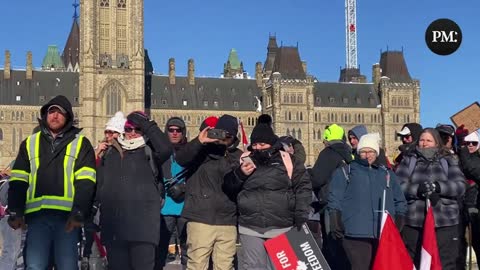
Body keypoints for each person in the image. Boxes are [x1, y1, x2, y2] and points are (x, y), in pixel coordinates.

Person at [7, 95, 97, 270]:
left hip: (67, 220)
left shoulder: (81, 143)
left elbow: (86, 181)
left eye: (60, 112)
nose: (55, 116)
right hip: (37, 218)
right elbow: (19, 179)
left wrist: (80, 211)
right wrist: (15, 210)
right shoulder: (29, 143)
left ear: (68, 116)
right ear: (45, 115)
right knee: (35, 266)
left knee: (67, 266)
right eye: (51, 111)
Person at [224, 123, 312, 270]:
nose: (258, 148)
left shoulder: (288, 160)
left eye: (262, 144)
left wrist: (301, 212)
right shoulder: (244, 159)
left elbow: (303, 186)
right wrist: (239, 174)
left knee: (281, 267)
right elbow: (227, 186)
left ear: (272, 143)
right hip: (250, 226)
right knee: (254, 267)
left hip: (281, 227)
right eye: (256, 144)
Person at [97, 111, 172, 270]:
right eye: (129, 129)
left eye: (138, 129)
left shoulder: (150, 151)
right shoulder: (110, 153)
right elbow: (101, 185)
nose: (132, 133)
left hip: (143, 230)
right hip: (115, 228)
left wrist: (147, 124)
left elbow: (166, 148)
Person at [328, 133, 407, 270]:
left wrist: (399, 219)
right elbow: (335, 198)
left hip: (383, 232)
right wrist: (335, 219)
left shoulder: (387, 174)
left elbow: (399, 200)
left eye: (371, 151)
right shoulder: (346, 172)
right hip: (355, 232)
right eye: (363, 151)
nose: (367, 155)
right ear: (358, 152)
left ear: (376, 152)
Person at [176, 114, 242, 270]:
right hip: (201, 218)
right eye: (220, 132)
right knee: (197, 265)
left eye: (227, 135)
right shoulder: (200, 151)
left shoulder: (238, 156)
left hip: (227, 220)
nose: (222, 137)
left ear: (233, 136)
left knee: (225, 266)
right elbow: (181, 159)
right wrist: (199, 141)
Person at [396, 128, 467, 269]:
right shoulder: (408, 160)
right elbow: (397, 186)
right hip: (415, 222)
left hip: (444, 221)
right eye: (422, 140)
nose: (424, 143)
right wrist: (417, 189)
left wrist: (439, 187)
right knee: (416, 261)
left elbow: (460, 186)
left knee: (445, 262)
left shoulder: (448, 160)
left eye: (429, 140)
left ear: (436, 142)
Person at [311, 124, 353, 270]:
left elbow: (317, 179)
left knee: (332, 243)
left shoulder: (328, 153)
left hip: (331, 204)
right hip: (349, 204)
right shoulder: (349, 153)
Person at [155, 117, 189, 270]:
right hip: (164, 210)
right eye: (171, 130)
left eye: (178, 130)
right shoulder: (160, 152)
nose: (175, 133)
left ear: (183, 132)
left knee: (187, 252)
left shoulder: (190, 151)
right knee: (160, 251)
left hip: (186, 209)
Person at [458, 131, 480, 262]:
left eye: (474, 143)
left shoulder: (474, 159)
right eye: (466, 143)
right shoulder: (457, 158)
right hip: (460, 208)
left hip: (475, 208)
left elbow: (472, 169)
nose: (470, 145)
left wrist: (464, 153)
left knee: (477, 243)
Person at [0, 164, 23, 270]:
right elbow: (5, 201)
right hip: (11, 219)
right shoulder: (12, 183)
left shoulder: (5, 182)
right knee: (11, 251)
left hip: (6, 218)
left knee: (13, 251)